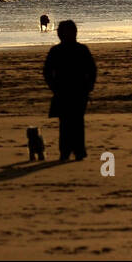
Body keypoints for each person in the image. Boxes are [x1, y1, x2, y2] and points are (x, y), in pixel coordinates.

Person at [42, 20, 96, 161]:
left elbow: (47, 72)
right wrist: (88, 87)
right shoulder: (80, 49)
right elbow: (92, 70)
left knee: (67, 122)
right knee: (75, 122)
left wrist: (53, 87)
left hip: (67, 91)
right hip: (73, 91)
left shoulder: (58, 50)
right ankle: (76, 152)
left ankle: (68, 152)